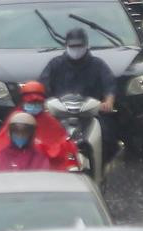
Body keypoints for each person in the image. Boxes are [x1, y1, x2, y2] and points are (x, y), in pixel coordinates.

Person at [41, 28, 117, 164]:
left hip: (91, 114)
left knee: (107, 137)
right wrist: (43, 103)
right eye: (72, 46)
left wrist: (108, 102)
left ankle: (102, 168)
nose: (76, 49)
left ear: (86, 45)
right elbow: (43, 85)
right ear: (66, 46)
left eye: (79, 46)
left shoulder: (97, 65)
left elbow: (109, 84)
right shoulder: (55, 64)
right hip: (60, 115)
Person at [0, 81, 77, 170]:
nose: (21, 135)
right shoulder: (15, 118)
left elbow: (62, 148)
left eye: (37, 102)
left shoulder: (50, 123)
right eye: (17, 131)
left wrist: (42, 148)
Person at [0, 110, 64, 171]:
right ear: (9, 133)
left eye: (25, 133)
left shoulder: (39, 158)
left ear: (32, 135)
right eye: (16, 132)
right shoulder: (0, 157)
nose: (20, 136)